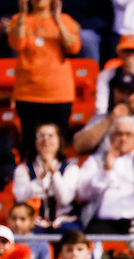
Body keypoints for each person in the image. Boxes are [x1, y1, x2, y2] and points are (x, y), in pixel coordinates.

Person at [9, 0, 80, 157]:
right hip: (28, 92)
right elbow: (16, 44)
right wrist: (22, 14)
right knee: (31, 146)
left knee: (58, 148)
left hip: (59, 93)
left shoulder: (65, 20)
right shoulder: (19, 19)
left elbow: (73, 47)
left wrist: (57, 20)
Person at [76, 117, 134, 234]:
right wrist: (105, 171)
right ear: (111, 137)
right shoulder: (96, 160)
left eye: (129, 134)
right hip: (102, 220)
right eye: (119, 134)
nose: (123, 139)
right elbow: (83, 194)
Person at [73, 70, 134, 157]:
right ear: (114, 92)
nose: (125, 97)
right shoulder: (103, 117)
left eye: (129, 93)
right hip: (105, 167)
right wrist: (110, 119)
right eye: (121, 92)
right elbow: (79, 146)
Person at [13, 122, 79, 232]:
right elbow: (21, 198)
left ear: (59, 141)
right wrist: (40, 180)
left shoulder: (70, 169)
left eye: (51, 136)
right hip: (33, 222)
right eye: (41, 136)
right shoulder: (23, 169)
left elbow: (65, 198)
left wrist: (55, 174)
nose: (46, 141)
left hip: (64, 222)